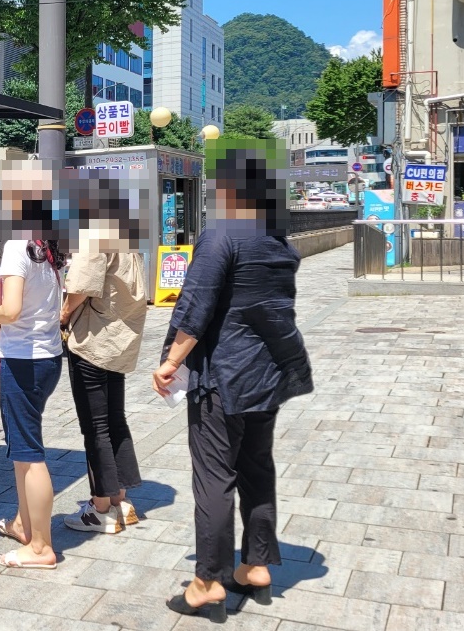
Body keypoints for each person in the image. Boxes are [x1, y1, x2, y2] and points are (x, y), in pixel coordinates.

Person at [152, 144, 313, 623]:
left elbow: (195, 305)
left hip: (223, 376)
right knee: (257, 468)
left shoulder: (222, 236)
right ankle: (256, 565)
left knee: (215, 478)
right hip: (268, 374)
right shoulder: (279, 242)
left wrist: (169, 362)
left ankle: (206, 582)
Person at [0, 239, 64, 569]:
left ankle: (41, 546)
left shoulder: (17, 246)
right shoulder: (46, 245)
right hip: (48, 357)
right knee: (22, 450)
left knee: (29, 454)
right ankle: (23, 525)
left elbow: (12, 309)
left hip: (23, 362)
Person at [60, 249, 147, 533]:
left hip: (93, 338)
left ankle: (100, 509)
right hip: (118, 337)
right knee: (114, 419)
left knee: (95, 426)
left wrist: (63, 314)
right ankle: (120, 501)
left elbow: (82, 285)